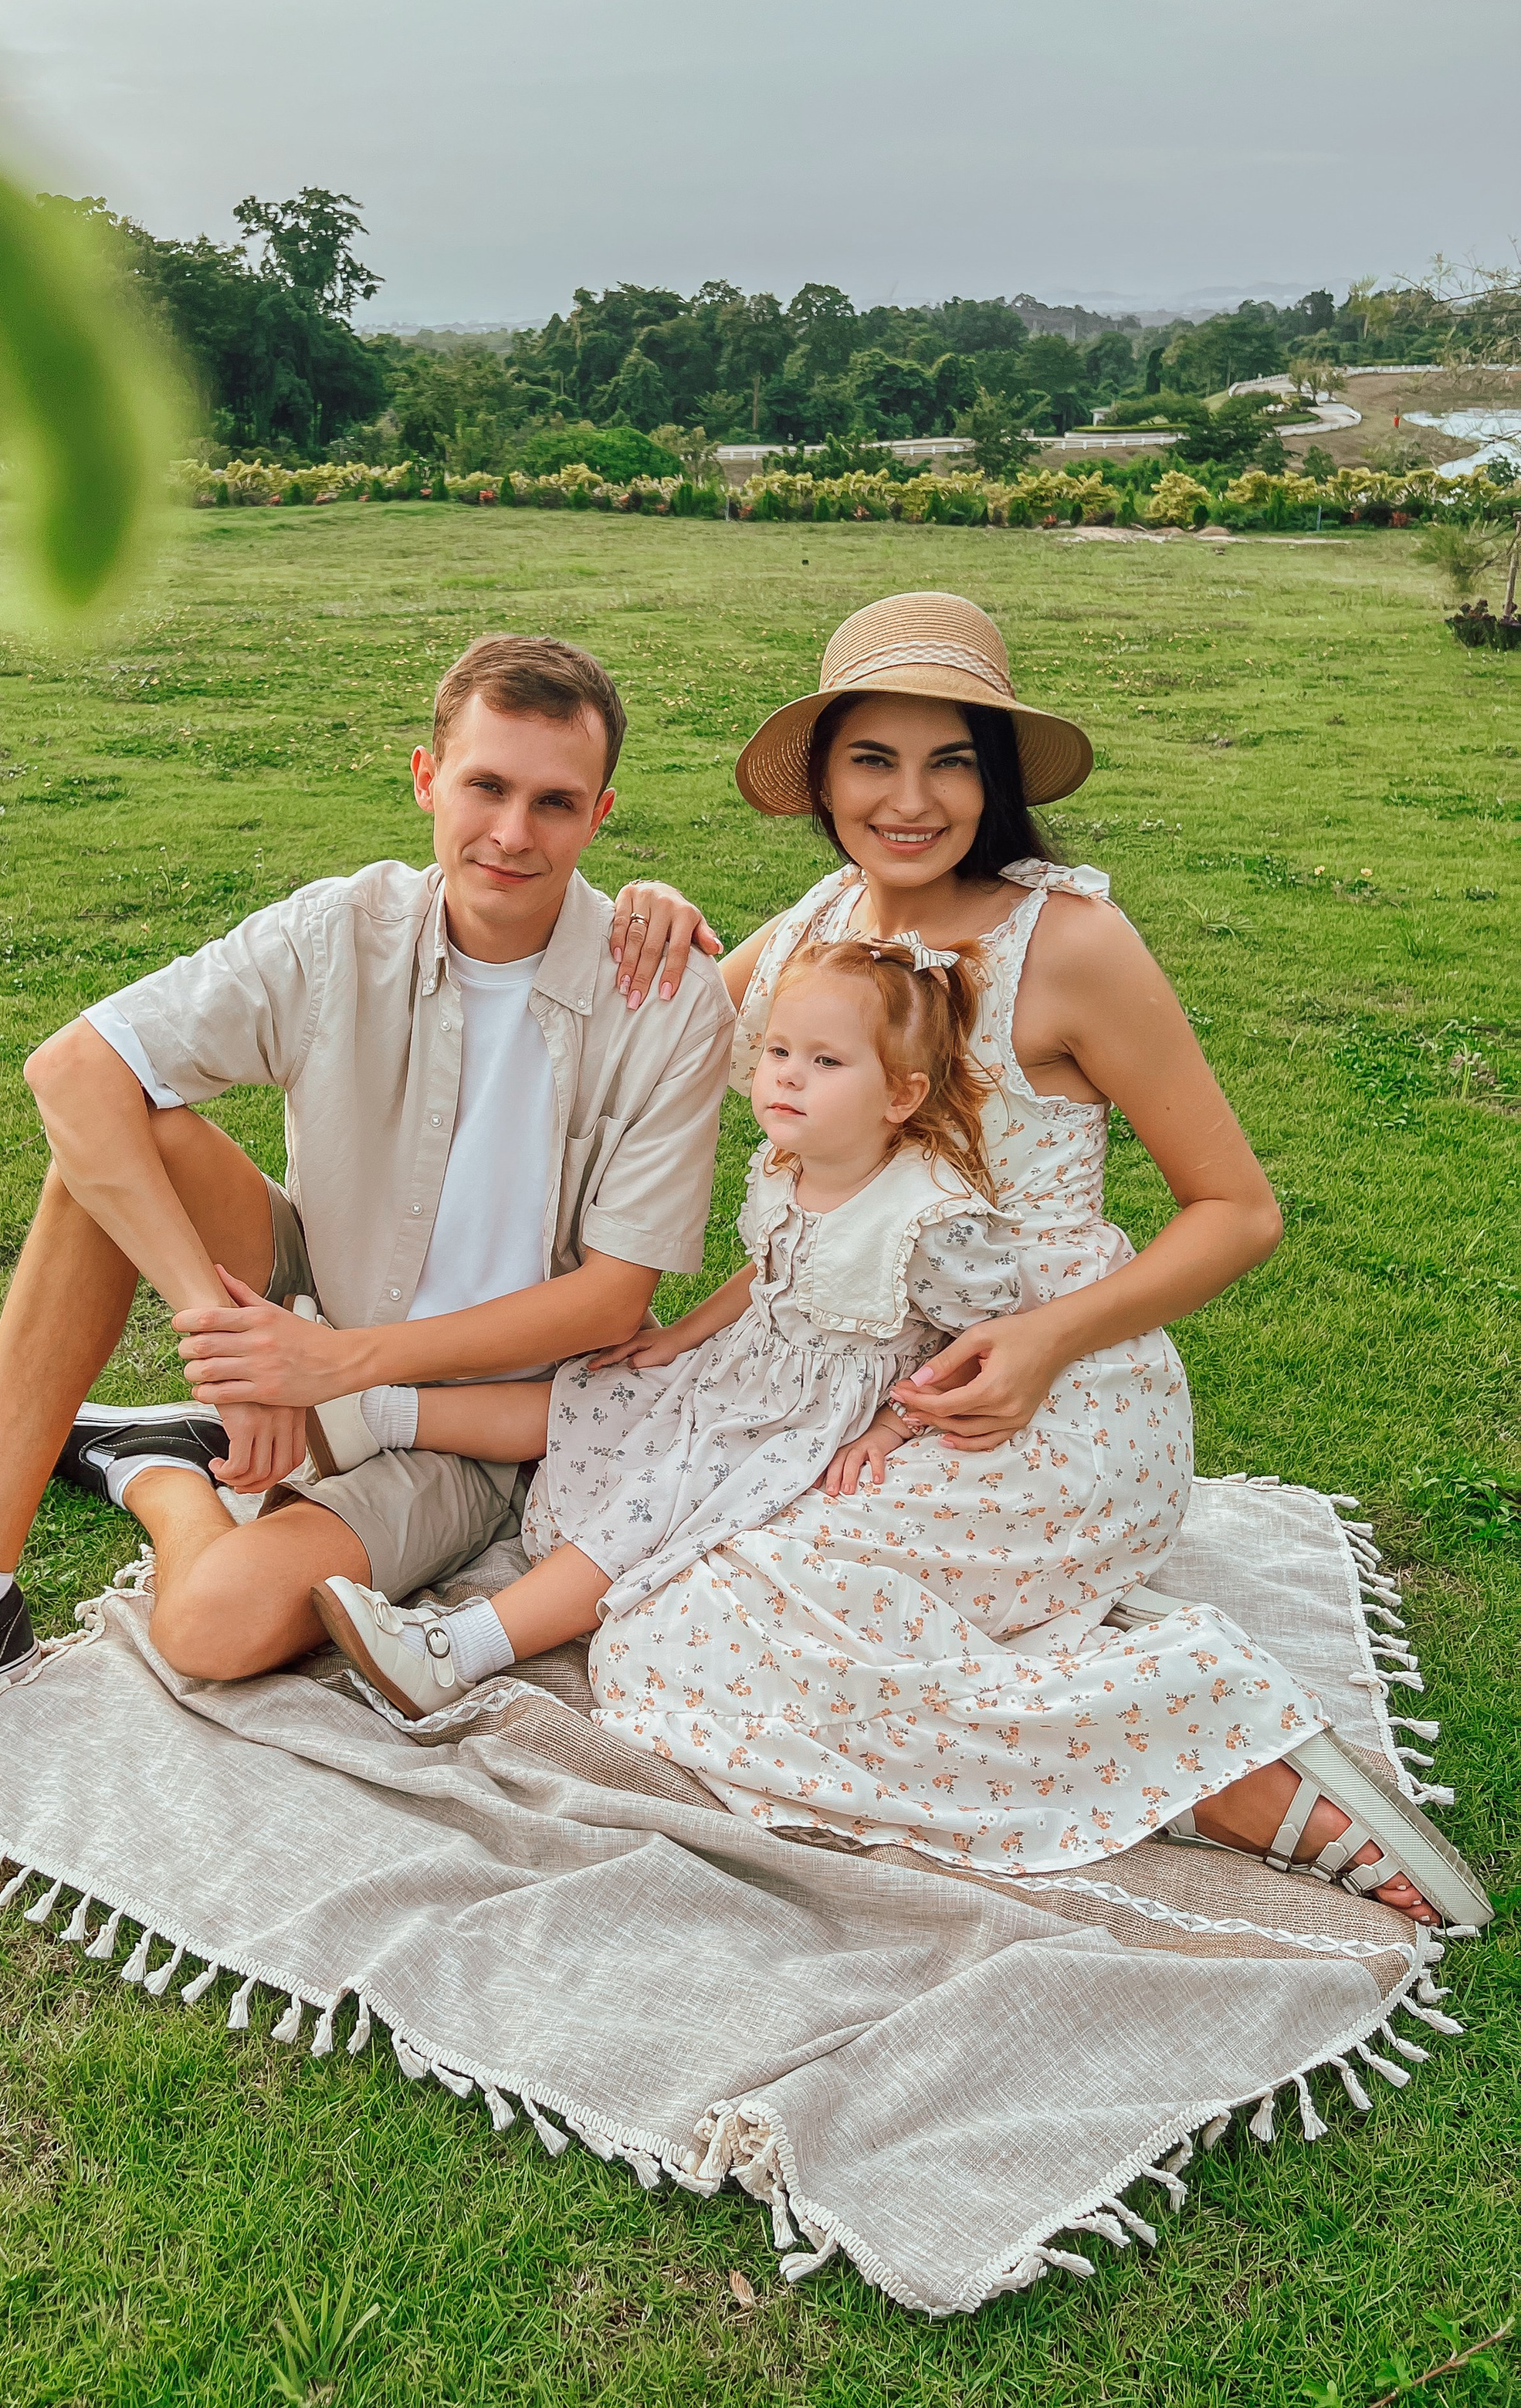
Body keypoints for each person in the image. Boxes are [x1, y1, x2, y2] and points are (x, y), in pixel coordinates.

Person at [581, 590, 1487, 1930]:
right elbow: (645, 1050)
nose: (911, 800)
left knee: (679, 1637)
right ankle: (1095, 1696)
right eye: (873, 759)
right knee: (645, 1573)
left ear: (994, 779)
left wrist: (1045, 1339)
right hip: (854, 1390)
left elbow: (1237, 1210)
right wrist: (655, 909)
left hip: (1051, 1410)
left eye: (951, 761)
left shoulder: (1067, 942)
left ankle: (1226, 1758)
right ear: (822, 779)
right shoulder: (823, 923)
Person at [0, 634, 734, 1789]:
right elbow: (70, 1069)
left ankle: (157, 1466)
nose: (512, 832)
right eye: (485, 786)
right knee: (110, 1134)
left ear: (600, 814)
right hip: (313, 1285)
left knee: (210, 1625)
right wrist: (239, 1353)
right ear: (425, 778)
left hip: (477, 1416)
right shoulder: (339, 929)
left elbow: (612, 1301)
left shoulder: (668, 999)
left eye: (554, 802)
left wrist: (332, 1367)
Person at [313, 934, 1020, 1719]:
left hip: (812, 1416)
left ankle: (457, 1651)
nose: (788, 1074)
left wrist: (889, 1427)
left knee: (655, 1502)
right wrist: (681, 1336)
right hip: (750, 1369)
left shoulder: (929, 1218)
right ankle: (372, 1414)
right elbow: (774, 1271)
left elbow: (983, 1341)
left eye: (826, 1061)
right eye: (780, 1050)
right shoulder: (793, 1165)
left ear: (900, 1096)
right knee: (597, 1392)